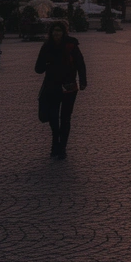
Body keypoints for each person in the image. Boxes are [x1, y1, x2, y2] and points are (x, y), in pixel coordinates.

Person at [35, 22, 87, 159]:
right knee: (53, 117)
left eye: (59, 31)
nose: (56, 33)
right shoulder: (46, 46)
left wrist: (83, 81)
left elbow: (80, 64)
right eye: (54, 31)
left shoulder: (71, 45)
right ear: (51, 33)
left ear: (64, 32)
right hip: (52, 86)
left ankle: (62, 147)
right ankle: (55, 142)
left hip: (68, 87)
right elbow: (38, 69)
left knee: (65, 118)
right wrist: (46, 63)